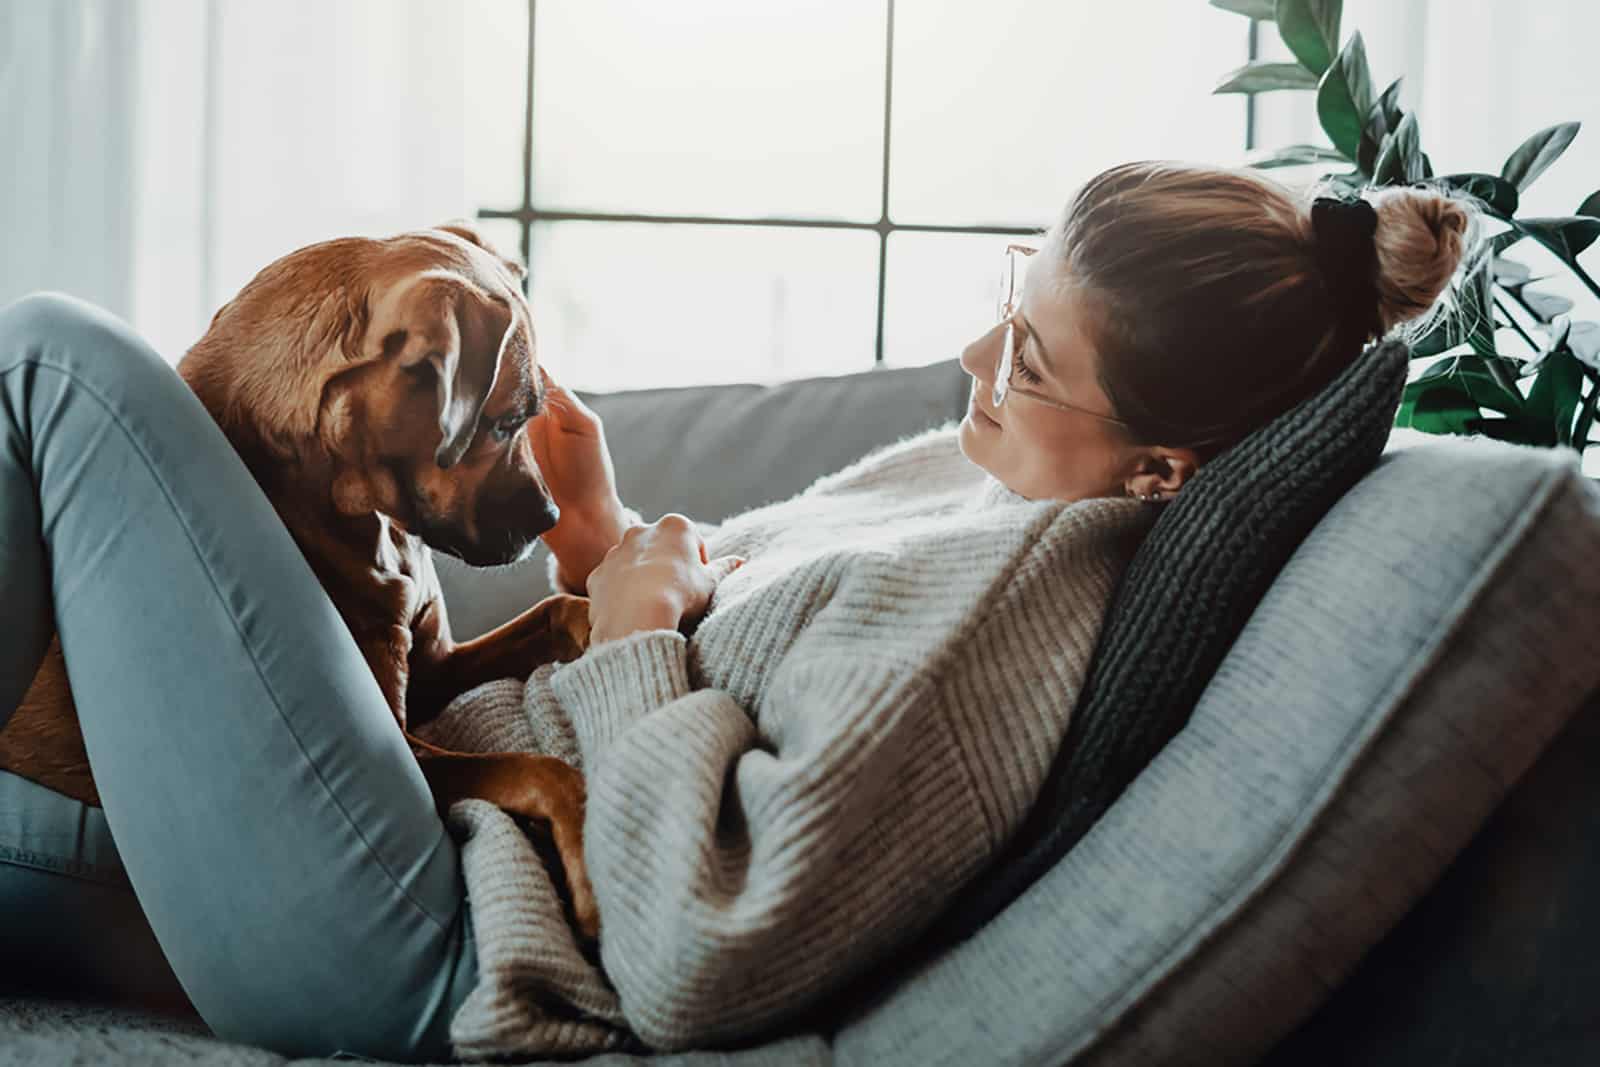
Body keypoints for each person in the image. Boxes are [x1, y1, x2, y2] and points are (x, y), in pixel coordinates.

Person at [0, 161, 1475, 1061]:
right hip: (396, 808)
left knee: (51, 363)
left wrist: (634, 634)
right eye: (1009, 292)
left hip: (420, 927)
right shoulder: (965, 488)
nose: (969, 350)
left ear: (1162, 469)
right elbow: (700, 649)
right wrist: (599, 550)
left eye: (1027, 353)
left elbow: (706, 945)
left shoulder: (1009, 609)